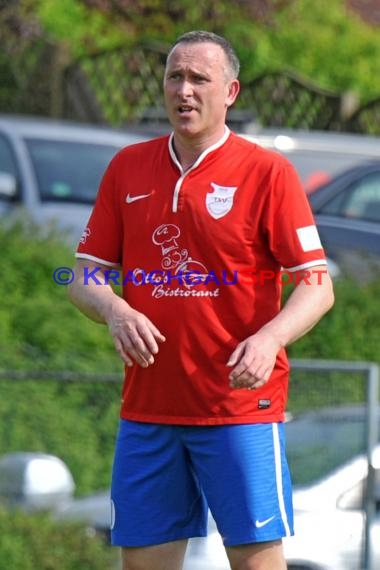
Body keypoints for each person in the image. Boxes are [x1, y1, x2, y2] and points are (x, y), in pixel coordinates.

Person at [68, 30, 334, 570]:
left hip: (238, 409)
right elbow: (82, 276)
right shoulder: (128, 168)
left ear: (230, 91)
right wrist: (116, 309)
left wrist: (269, 338)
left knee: (256, 562)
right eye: (174, 77)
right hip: (149, 410)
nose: (184, 90)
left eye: (199, 79)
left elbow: (317, 284)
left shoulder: (268, 173)